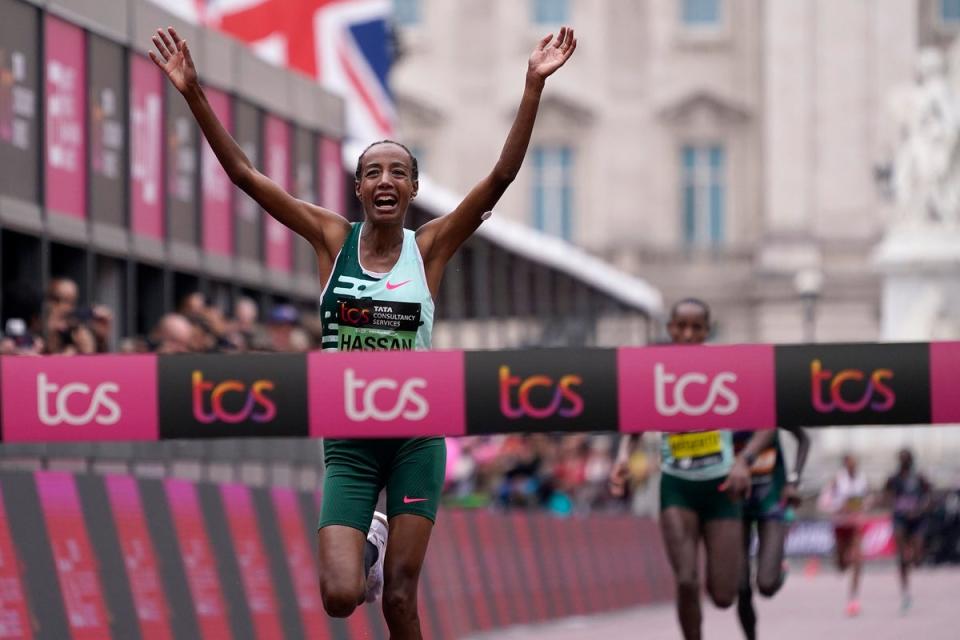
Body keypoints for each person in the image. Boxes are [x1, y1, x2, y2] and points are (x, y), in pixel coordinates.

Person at [151, 24, 577, 637]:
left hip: (415, 440)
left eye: (397, 172)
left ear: (412, 189)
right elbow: (245, 175)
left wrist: (532, 85)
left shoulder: (429, 247)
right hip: (348, 441)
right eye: (372, 172)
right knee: (339, 596)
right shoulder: (331, 238)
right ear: (358, 189)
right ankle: (368, 539)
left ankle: (387, 552)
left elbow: (500, 179)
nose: (384, 181)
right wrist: (193, 93)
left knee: (400, 600)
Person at [610, 298, 774, 640]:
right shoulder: (655, 370)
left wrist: (744, 462)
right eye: (680, 326)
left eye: (696, 327)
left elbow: (766, 424)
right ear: (670, 329)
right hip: (677, 486)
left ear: (706, 330)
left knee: (724, 596)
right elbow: (635, 425)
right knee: (685, 578)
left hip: (722, 487)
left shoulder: (727, 367)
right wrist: (623, 456)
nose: (687, 333)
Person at [734, 424, 810, 640]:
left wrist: (794, 480)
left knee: (766, 585)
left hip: (771, 500)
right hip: (736, 500)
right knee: (741, 587)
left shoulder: (767, 403)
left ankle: (778, 567)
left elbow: (804, 439)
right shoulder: (723, 404)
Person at [819, 453, 871, 616]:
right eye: (849, 463)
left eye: (854, 463)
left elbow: (869, 498)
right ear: (844, 464)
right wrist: (838, 506)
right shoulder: (836, 480)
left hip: (855, 524)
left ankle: (853, 600)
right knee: (842, 566)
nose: (852, 466)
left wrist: (863, 505)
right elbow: (823, 502)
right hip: (840, 524)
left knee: (858, 560)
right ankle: (841, 560)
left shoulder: (862, 479)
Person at [884, 448, 932, 613]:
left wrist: (921, 509)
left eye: (906, 459)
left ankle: (915, 557)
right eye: (901, 459)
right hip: (901, 518)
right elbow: (887, 495)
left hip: (917, 519)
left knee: (917, 557)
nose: (904, 462)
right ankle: (905, 591)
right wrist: (896, 506)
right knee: (902, 556)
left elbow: (929, 494)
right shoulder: (894, 478)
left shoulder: (919, 477)